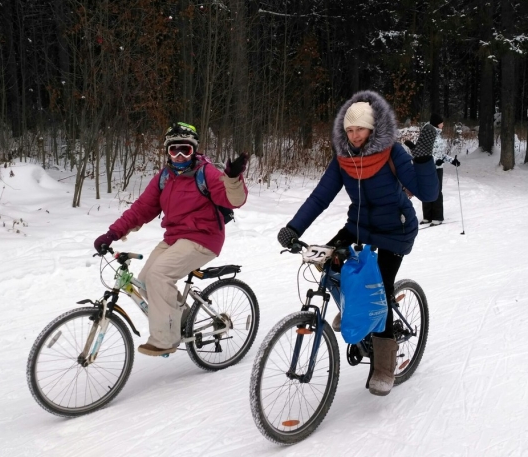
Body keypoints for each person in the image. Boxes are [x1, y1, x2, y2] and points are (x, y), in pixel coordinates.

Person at [276, 90, 439, 396]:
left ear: (372, 129)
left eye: (360, 129)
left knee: (378, 292)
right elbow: (321, 196)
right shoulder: (343, 159)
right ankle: (354, 308)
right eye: (349, 130)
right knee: (327, 261)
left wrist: (424, 159)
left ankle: (383, 366)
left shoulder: (392, 152)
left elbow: (427, 194)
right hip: (360, 226)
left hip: (395, 230)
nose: (354, 135)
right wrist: (293, 228)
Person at [93, 122, 248, 356]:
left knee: (159, 275)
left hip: (204, 238)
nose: (178, 156)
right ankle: (183, 322)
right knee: (145, 280)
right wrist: (112, 233)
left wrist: (233, 178)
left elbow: (233, 200)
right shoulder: (164, 177)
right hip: (175, 238)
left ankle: (165, 339)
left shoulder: (206, 173)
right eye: (173, 150)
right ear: (166, 151)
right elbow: (141, 209)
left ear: (194, 150)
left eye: (185, 150)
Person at [413, 113, 460, 225]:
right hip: (428, 167)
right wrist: (434, 161)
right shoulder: (428, 133)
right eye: (441, 122)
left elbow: (441, 154)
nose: (443, 124)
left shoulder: (439, 135)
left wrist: (452, 160)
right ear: (436, 123)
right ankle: (427, 216)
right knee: (427, 190)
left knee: (437, 191)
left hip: (438, 168)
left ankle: (437, 217)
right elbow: (424, 152)